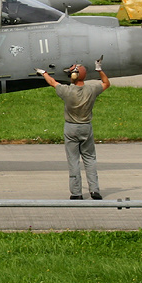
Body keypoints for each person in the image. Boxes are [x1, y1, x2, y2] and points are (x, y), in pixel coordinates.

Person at [35, 60, 110, 200]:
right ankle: (95, 191)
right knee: (90, 159)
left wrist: (44, 72)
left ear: (73, 76)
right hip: (86, 127)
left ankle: (76, 193)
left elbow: (52, 82)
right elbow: (106, 83)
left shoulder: (67, 91)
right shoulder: (92, 89)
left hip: (71, 127)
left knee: (73, 160)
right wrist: (99, 70)